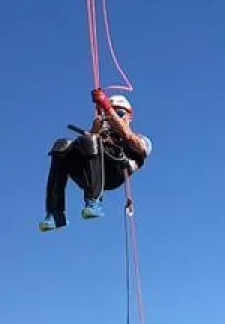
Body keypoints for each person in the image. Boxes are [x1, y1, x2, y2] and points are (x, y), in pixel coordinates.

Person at [39, 89, 151, 231]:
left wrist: (107, 108)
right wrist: (95, 130)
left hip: (114, 173)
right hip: (90, 174)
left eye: (120, 114)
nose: (112, 118)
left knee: (91, 140)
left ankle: (94, 201)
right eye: (108, 115)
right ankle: (56, 213)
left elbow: (131, 139)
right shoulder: (100, 136)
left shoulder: (141, 140)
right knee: (62, 147)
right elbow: (86, 147)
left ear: (129, 117)